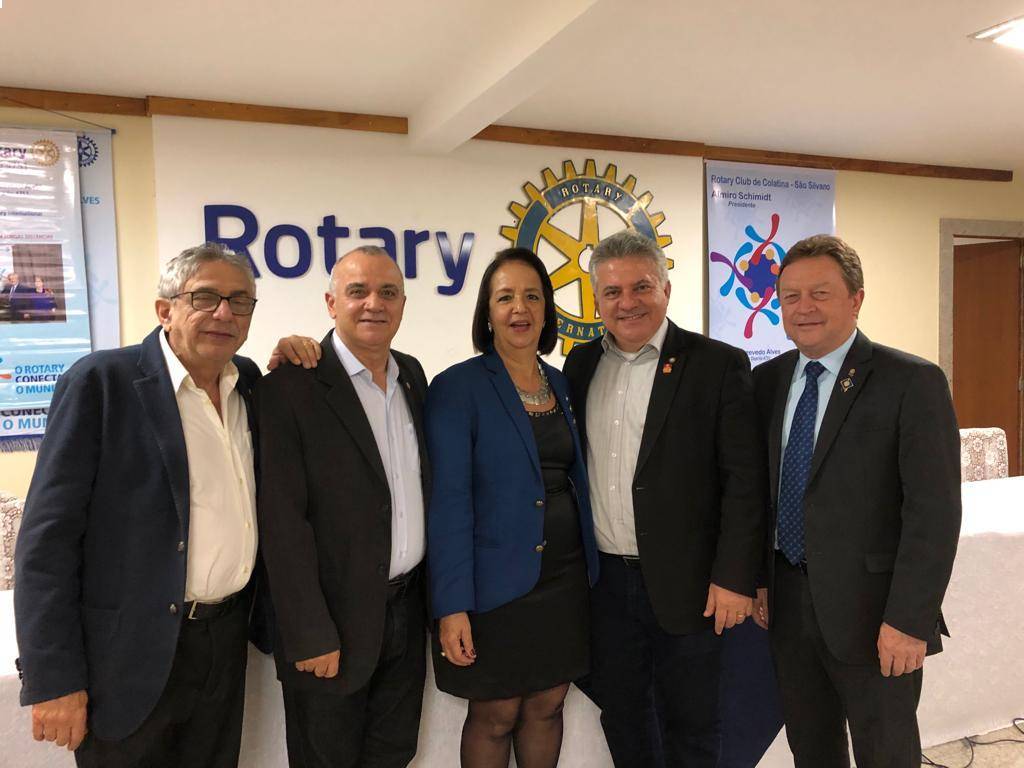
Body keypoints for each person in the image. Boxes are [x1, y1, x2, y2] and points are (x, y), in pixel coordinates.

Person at [14, 242, 269, 767]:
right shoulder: (101, 383)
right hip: (126, 656)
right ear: (164, 310)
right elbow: (46, 542)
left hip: (223, 645)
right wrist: (53, 676)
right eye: (205, 297)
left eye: (240, 300)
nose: (224, 313)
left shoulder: (248, 384)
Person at [750, 234, 961, 767]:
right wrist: (758, 578)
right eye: (791, 296)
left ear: (856, 298)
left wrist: (910, 620)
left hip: (876, 615)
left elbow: (934, 514)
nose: (804, 307)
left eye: (820, 293)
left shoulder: (911, 381)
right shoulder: (766, 382)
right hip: (788, 605)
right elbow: (759, 494)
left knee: (886, 752)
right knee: (811, 749)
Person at [561, 230, 765, 767]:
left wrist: (734, 576)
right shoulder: (579, 366)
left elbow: (744, 481)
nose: (627, 302)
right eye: (612, 291)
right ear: (596, 299)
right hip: (605, 584)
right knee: (623, 715)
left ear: (666, 289)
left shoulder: (717, 364)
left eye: (641, 287)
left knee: (692, 722)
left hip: (692, 584)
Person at [427, 247, 599, 768]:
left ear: (547, 311)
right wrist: (451, 605)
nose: (519, 308)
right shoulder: (457, 387)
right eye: (505, 298)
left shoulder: (562, 384)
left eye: (532, 296)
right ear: (487, 312)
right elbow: (448, 501)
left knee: (548, 705)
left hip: (564, 579)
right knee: (496, 713)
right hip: (492, 586)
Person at [258, 245, 430, 768]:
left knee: (393, 755)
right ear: (332, 303)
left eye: (388, 292)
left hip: (405, 615)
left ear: (403, 306)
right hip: (330, 626)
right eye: (358, 291)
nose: (374, 303)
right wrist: (309, 632)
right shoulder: (290, 386)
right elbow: (282, 524)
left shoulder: (413, 376)